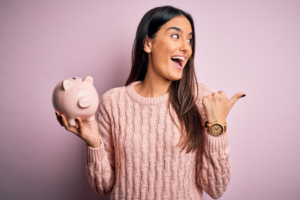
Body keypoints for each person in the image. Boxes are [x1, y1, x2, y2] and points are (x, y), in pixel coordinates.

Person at [55, 5, 245, 200]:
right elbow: (103, 186)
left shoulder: (201, 99)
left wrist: (217, 126)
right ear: (147, 43)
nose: (186, 47)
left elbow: (216, 188)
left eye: (190, 39)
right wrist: (94, 143)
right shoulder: (112, 102)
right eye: (175, 36)